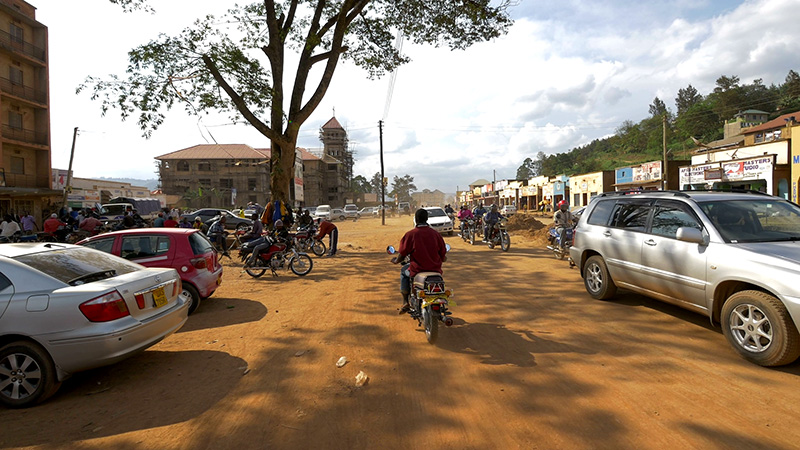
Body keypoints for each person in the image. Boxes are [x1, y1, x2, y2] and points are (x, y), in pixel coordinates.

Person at [391, 208, 448, 314]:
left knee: (404, 272)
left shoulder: (410, 235)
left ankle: (405, 302)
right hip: (435, 270)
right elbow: (443, 253)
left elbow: (402, 254)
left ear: (416, 219)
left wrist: (396, 261)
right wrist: (443, 258)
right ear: (427, 219)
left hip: (417, 270)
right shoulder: (436, 234)